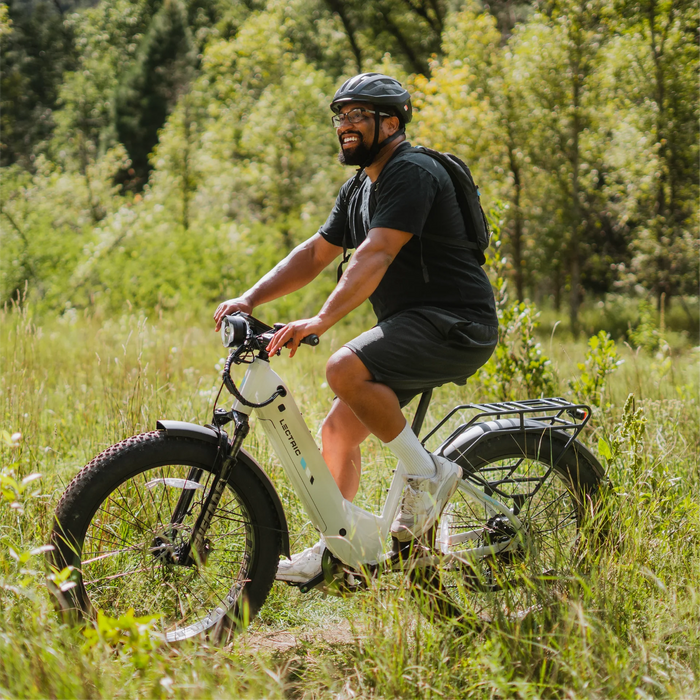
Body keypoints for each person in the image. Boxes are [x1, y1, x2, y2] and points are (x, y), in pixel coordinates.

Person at [213, 72, 498, 582]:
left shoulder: (411, 172)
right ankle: (337, 553)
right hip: (415, 327)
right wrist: (251, 297)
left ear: (391, 122)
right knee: (337, 433)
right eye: (340, 115)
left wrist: (321, 319)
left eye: (357, 115)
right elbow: (315, 254)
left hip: (456, 323)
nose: (345, 125)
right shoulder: (358, 189)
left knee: (344, 367)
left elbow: (378, 252)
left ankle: (426, 474)